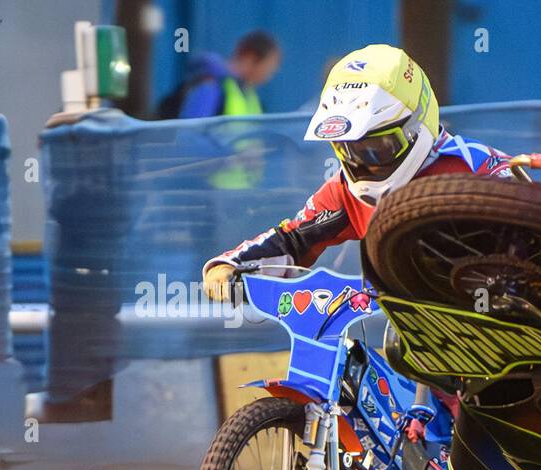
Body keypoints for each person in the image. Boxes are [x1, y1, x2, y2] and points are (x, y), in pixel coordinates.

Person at [201, 43, 511, 299]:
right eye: (347, 148)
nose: (364, 161)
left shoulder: (473, 167)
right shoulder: (347, 192)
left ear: (415, 126)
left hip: (509, 328)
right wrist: (230, 265)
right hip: (419, 338)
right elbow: (294, 238)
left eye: (377, 147)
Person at [157, 30, 282, 120]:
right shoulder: (210, 86)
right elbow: (190, 137)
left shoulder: (250, 96)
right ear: (250, 57)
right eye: (268, 68)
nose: (269, 75)